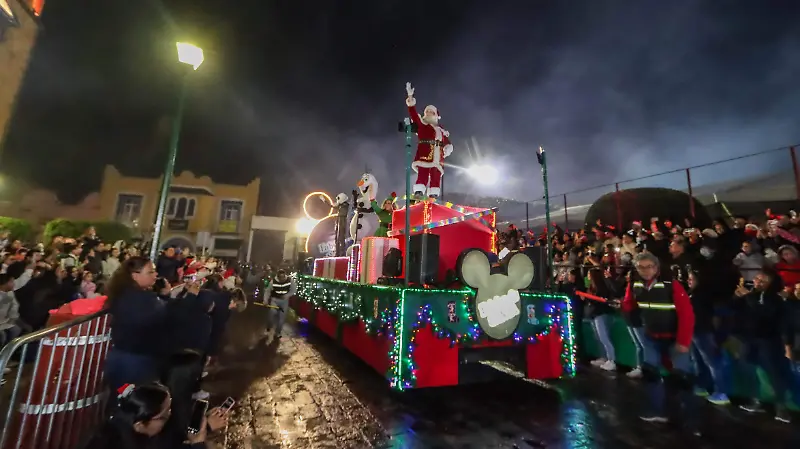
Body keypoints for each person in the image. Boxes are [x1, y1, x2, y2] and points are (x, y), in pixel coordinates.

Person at [621, 252, 697, 431]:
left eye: (649, 266)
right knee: (652, 374)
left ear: (656, 267)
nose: (645, 271)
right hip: (651, 336)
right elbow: (629, 304)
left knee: (681, 378)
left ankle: (688, 415)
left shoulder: (672, 285)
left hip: (674, 338)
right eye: (641, 267)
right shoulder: (634, 285)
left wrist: (683, 342)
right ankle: (658, 411)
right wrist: (624, 306)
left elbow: (686, 314)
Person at [104, 257, 200, 391]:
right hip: (136, 364)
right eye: (150, 272)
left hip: (127, 359)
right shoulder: (139, 300)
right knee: (135, 403)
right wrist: (190, 297)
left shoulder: (129, 295)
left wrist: (166, 296)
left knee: (123, 401)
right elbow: (170, 316)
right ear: (135, 276)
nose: (156, 275)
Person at [83, 382, 227, 448]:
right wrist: (198, 445)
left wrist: (203, 428)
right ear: (140, 425)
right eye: (164, 416)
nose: (170, 415)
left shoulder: (126, 424)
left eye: (170, 408)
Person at [405, 82, 453, 198]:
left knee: (435, 175)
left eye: (432, 112)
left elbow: (447, 142)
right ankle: (419, 191)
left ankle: (433, 193)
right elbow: (413, 114)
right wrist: (410, 98)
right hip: (425, 153)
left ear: (436, 115)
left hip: (438, 156)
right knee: (423, 173)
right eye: (427, 112)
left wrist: (448, 147)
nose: (429, 114)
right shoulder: (422, 124)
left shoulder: (441, 130)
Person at [263, 269, 295, 339]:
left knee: (281, 318)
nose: (282, 279)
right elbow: (267, 291)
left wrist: (287, 295)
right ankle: (268, 327)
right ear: (278, 277)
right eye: (280, 278)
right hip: (275, 300)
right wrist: (265, 300)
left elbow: (293, 290)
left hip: (284, 301)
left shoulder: (290, 280)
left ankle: (278, 332)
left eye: (283, 277)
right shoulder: (273, 282)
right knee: (272, 313)